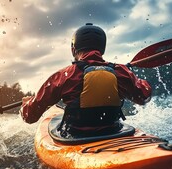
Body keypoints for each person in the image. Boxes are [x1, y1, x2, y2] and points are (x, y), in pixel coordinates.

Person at [20, 23, 152, 137]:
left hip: (76, 136)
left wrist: (26, 104)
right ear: (102, 48)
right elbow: (144, 96)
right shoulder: (121, 72)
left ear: (73, 49)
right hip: (113, 131)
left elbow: (29, 116)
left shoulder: (63, 75)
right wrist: (136, 79)